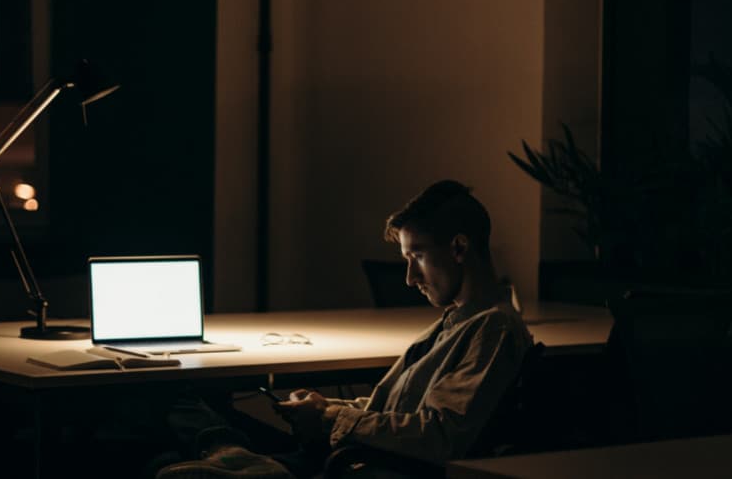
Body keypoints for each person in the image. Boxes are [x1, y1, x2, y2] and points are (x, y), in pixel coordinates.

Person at [157, 179, 533, 478]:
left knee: (172, 433)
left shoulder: (493, 329)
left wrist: (331, 419)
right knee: (180, 401)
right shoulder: (455, 322)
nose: (409, 278)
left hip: (356, 463)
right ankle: (234, 456)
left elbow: (439, 436)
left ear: (459, 248)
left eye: (417, 256)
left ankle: (243, 460)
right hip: (348, 451)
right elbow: (395, 412)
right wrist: (328, 407)